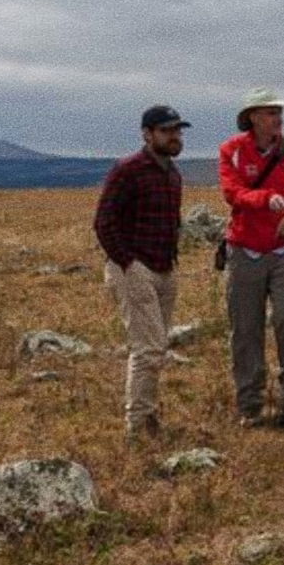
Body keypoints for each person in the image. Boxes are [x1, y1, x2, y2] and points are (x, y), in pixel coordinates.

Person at [218, 87, 284, 428]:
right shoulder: (232, 151)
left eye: (279, 111)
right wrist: (265, 198)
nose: (278, 118)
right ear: (253, 117)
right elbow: (232, 193)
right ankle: (250, 405)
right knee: (245, 328)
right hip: (245, 249)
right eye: (270, 112)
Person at [94, 104, 190, 441]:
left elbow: (172, 220)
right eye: (167, 131)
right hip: (134, 268)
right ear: (147, 134)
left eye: (178, 130)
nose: (175, 136)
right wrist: (127, 263)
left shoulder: (173, 174)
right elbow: (104, 221)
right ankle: (138, 427)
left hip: (164, 267)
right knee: (148, 348)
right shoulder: (128, 170)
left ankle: (147, 417)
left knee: (158, 347)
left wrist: (171, 258)